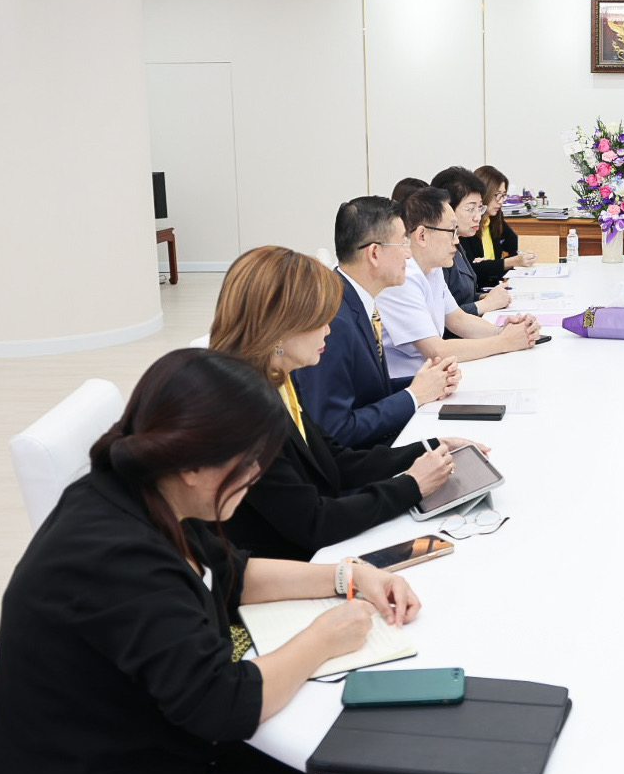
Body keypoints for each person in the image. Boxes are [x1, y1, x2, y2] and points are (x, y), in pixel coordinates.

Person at [0, 347, 420, 774]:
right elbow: (224, 704)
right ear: (192, 464)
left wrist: (348, 576)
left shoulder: (144, 490)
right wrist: (322, 639)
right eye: (250, 460)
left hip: (149, 754)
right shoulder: (117, 557)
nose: (257, 474)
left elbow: (230, 572)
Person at [210, 245, 464, 560]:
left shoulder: (276, 381)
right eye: (320, 320)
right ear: (280, 327)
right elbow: (314, 522)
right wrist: (412, 485)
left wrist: (427, 448)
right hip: (290, 565)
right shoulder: (243, 411)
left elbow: (333, 461)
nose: (329, 330)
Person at [291, 195, 461, 449]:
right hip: (359, 461)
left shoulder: (355, 300)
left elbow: (367, 393)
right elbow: (335, 431)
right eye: (403, 243)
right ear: (374, 253)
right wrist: (414, 396)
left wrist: (428, 382)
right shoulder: (333, 321)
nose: (408, 254)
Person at [376, 186, 540, 376]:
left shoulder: (432, 268)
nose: (456, 241)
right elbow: (437, 350)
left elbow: (458, 320)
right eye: (451, 231)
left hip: (435, 376)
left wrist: (504, 331)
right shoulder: (402, 277)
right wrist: (505, 341)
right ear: (422, 235)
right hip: (407, 382)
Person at [432, 167, 510, 317]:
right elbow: (443, 317)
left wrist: (484, 297)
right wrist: (486, 304)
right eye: (470, 209)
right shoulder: (436, 253)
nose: (477, 217)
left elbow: (461, 298)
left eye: (479, 208)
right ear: (446, 208)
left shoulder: (456, 242)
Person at [461, 165, 536, 289]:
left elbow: (516, 247)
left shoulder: (495, 218)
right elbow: (471, 269)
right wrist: (511, 262)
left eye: (503, 195)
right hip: (475, 292)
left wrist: (491, 265)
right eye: (497, 195)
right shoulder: (465, 225)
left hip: (495, 288)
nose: (500, 201)